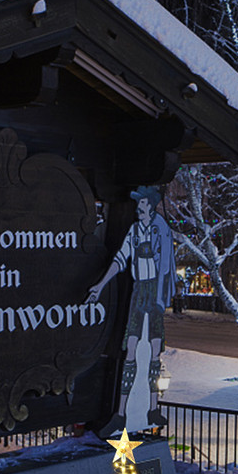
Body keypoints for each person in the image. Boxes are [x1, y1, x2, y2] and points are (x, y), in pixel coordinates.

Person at [87, 186, 176, 436]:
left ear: (152, 205)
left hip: (153, 291)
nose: (139, 208)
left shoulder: (161, 229)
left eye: (143, 204)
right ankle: (120, 414)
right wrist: (100, 286)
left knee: (154, 351)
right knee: (132, 348)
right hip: (138, 291)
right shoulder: (135, 231)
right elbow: (120, 259)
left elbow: (165, 267)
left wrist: (160, 299)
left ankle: (152, 409)